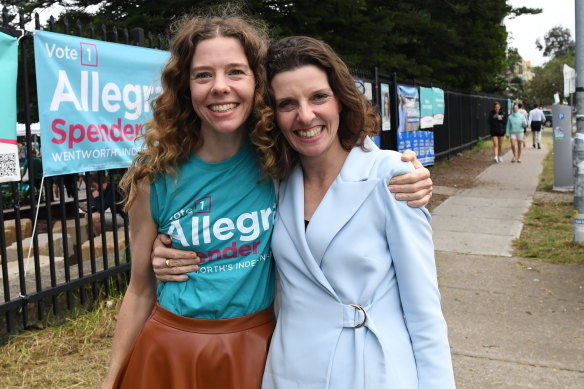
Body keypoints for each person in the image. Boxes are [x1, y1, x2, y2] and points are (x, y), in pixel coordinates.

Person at [106, 11, 433, 389]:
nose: (219, 87)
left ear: (258, 84)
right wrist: (112, 378)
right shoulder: (155, 175)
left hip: (255, 347)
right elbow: (140, 288)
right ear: (184, 86)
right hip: (171, 347)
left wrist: (406, 171)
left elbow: (337, 154)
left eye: (235, 72)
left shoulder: (277, 160)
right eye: (203, 75)